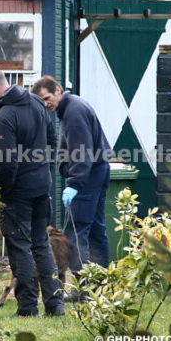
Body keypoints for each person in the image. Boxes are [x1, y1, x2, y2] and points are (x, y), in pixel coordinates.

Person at [0, 66, 64, 317]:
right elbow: (52, 141)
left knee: (20, 247)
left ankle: (27, 307)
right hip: (41, 187)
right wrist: (44, 170)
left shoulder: (5, 116)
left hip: (19, 192)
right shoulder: (36, 103)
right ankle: (55, 304)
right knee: (41, 244)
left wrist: (2, 190)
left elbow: (8, 162)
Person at [31, 75, 112, 280]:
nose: (45, 104)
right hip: (97, 170)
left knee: (76, 231)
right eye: (41, 101)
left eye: (47, 98)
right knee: (95, 230)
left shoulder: (73, 112)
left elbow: (82, 152)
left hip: (87, 176)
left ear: (58, 90)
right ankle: (101, 283)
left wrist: (75, 183)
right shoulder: (73, 105)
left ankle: (83, 287)